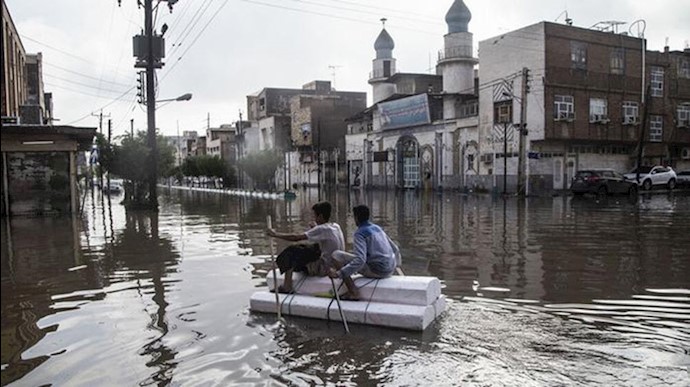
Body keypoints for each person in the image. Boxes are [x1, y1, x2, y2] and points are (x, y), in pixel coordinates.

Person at [267, 201, 345, 293]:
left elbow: (295, 237)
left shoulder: (322, 229)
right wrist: (315, 228)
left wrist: (275, 234)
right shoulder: (336, 226)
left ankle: (287, 286)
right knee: (307, 247)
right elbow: (324, 237)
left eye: (315, 216)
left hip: (325, 268)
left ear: (320, 216)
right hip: (337, 264)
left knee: (291, 252)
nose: (314, 219)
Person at [328, 204, 400, 301]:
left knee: (336, 255)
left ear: (356, 218)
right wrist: (395, 265)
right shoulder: (377, 228)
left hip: (377, 271)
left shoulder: (360, 233)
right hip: (390, 269)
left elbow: (361, 260)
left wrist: (339, 273)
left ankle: (353, 292)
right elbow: (395, 249)